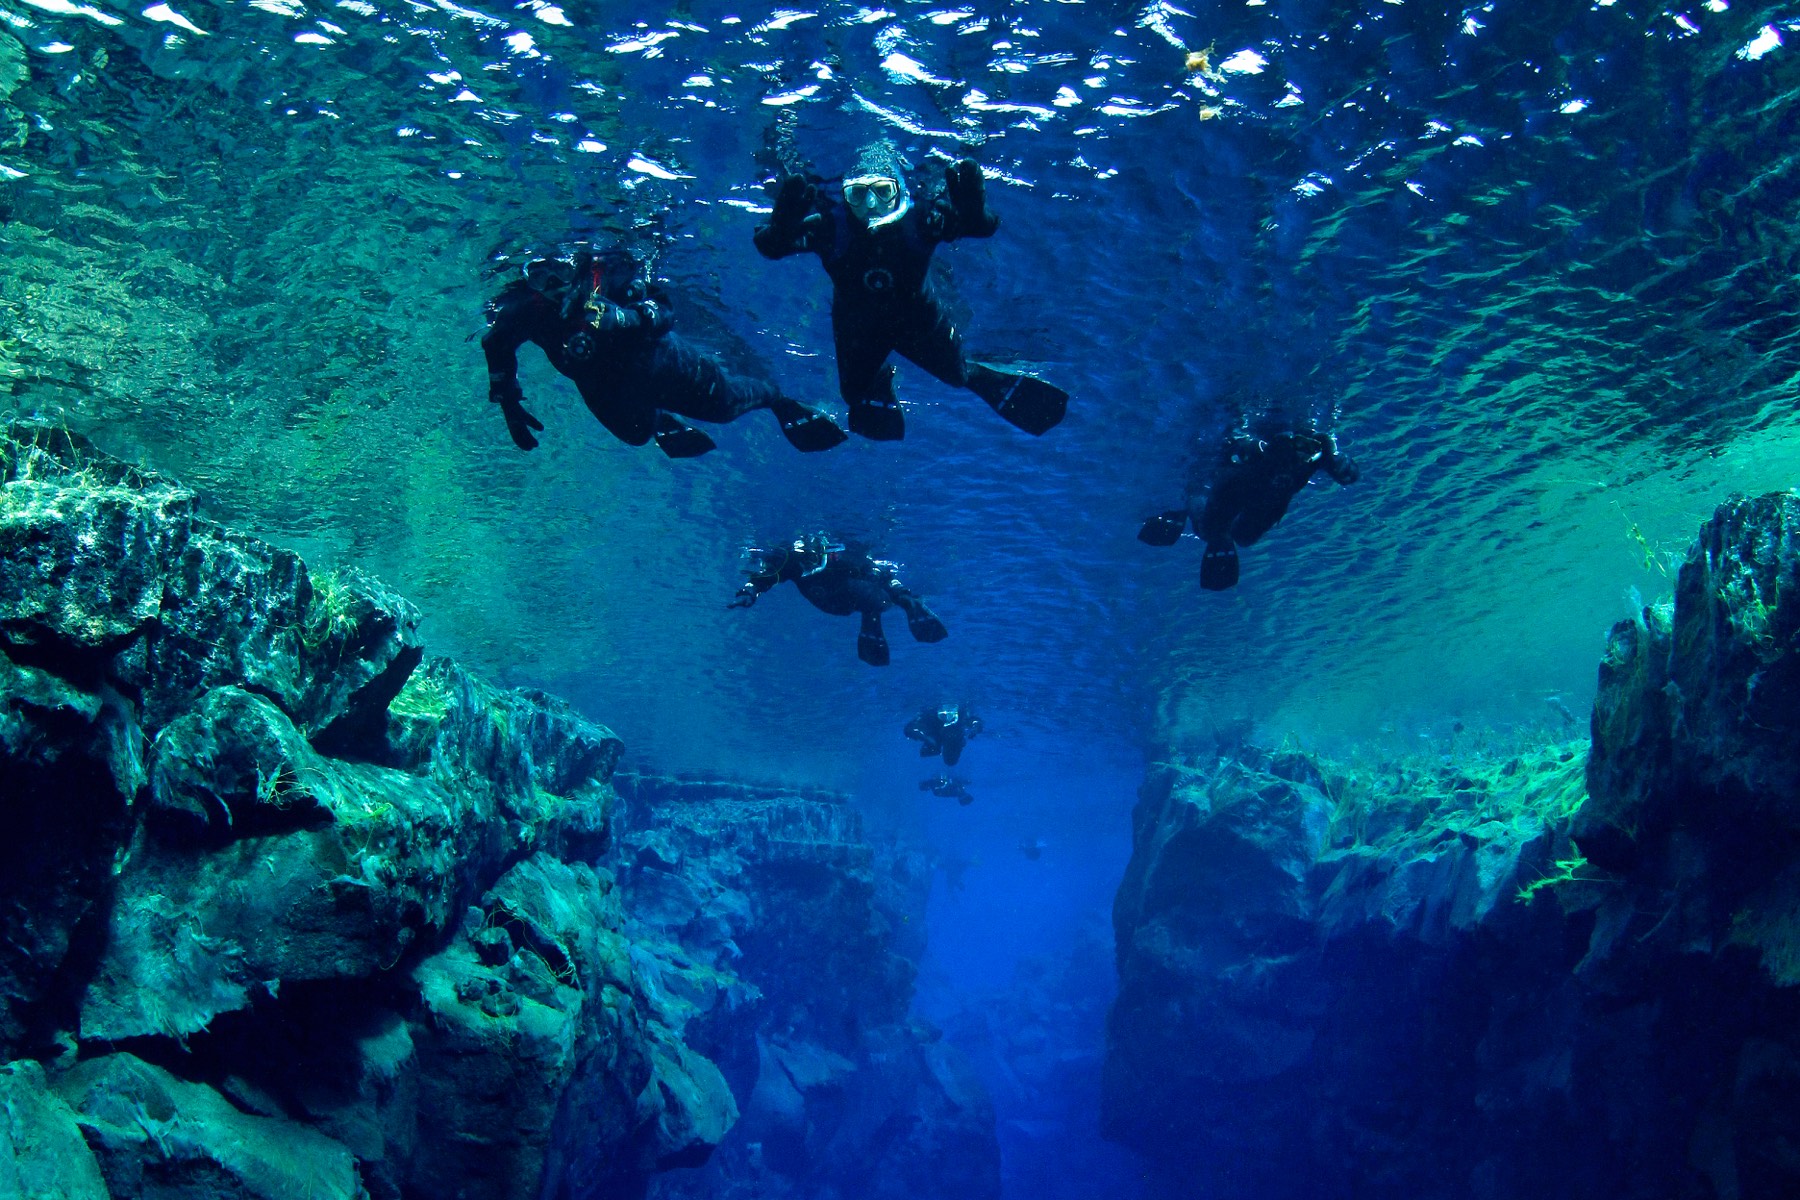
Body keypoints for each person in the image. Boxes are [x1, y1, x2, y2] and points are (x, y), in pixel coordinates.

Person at [751, 141, 1068, 441]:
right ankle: (881, 380)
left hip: (918, 320)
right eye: (858, 194)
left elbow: (978, 225)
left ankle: (979, 375)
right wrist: (779, 232)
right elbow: (771, 245)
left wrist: (973, 214)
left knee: (958, 374)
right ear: (845, 195)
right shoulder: (830, 226)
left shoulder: (919, 219)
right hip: (858, 326)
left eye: (882, 192)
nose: (871, 204)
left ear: (898, 192)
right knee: (853, 394)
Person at [481, 247, 847, 458]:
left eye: (560, 270)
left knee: (724, 408)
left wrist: (625, 317)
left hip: (660, 365)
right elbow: (495, 344)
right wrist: (509, 403)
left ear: (576, 264)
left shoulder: (612, 272)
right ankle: (658, 420)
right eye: (540, 277)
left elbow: (666, 312)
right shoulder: (525, 309)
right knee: (636, 435)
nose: (554, 285)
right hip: (601, 385)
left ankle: (778, 401)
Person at [1139, 421, 1360, 590]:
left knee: (1234, 532)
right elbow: (1324, 447)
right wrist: (1333, 459)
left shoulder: (1215, 526)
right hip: (1254, 470)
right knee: (1239, 533)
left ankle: (1196, 501)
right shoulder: (1300, 461)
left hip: (1251, 470)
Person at [727, 533, 948, 666]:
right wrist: (749, 593)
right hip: (834, 602)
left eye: (814, 557)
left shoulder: (842, 555)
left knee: (870, 591)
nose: (809, 563)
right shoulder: (790, 559)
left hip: (848, 598)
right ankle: (888, 608)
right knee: (869, 595)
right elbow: (767, 577)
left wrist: (902, 594)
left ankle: (898, 605)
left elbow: (879, 574)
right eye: (807, 558)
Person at [903, 704, 983, 767]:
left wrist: (926, 738)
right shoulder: (963, 729)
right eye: (955, 749)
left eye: (950, 749)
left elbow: (909, 730)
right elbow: (976, 722)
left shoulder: (934, 733)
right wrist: (975, 729)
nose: (951, 738)